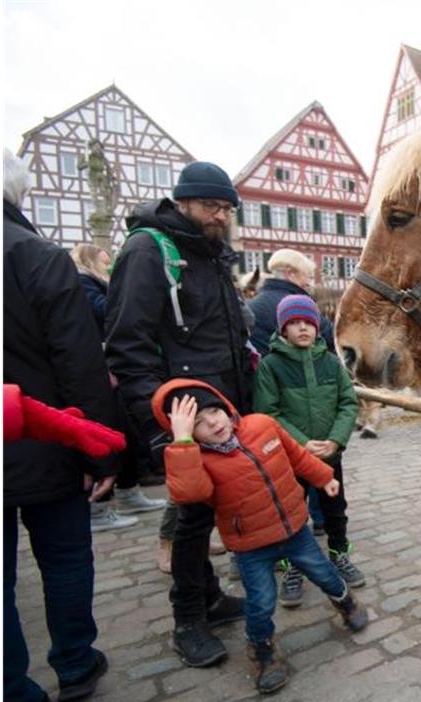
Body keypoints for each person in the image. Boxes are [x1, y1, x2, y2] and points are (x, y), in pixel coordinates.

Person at [105, 160, 252, 667]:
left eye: (227, 208)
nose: (220, 216)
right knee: (191, 520)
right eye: (211, 206)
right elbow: (127, 346)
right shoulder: (149, 251)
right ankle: (189, 618)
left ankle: (209, 598)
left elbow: (226, 339)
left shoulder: (209, 254)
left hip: (220, 411)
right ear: (182, 203)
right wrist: (166, 425)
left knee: (207, 513)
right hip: (184, 417)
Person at [4, 148, 119, 702]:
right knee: (65, 558)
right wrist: (98, 451)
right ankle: (74, 662)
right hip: (46, 436)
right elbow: (78, 361)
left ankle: (8, 701)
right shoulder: (35, 256)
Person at [154, 380, 368, 694]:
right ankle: (262, 650)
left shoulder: (262, 426)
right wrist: (183, 443)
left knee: (325, 574)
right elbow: (190, 492)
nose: (212, 422)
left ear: (226, 406)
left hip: (296, 531)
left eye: (214, 411)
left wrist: (324, 477)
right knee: (261, 601)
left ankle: (345, 601)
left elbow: (297, 455)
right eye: (198, 422)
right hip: (251, 548)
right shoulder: (195, 460)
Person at [254, 295, 364, 606]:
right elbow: (268, 413)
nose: (303, 328)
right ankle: (293, 568)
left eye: (308, 323)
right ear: (283, 328)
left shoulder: (331, 362)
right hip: (290, 459)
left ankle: (339, 555)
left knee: (335, 509)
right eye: (294, 323)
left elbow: (348, 402)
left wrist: (336, 439)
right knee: (291, 512)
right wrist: (300, 442)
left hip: (330, 454)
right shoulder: (271, 366)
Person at [69, 243, 168, 529]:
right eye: (105, 261)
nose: (110, 265)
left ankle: (128, 491)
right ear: (91, 261)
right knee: (106, 431)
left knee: (127, 433)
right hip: (98, 368)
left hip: (112, 367)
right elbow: (107, 312)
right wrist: (125, 288)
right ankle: (98, 507)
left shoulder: (96, 284)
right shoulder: (85, 284)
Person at [247, 248, 334, 356]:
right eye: (307, 276)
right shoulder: (297, 305)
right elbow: (332, 337)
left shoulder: (252, 304)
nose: (308, 283)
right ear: (290, 273)